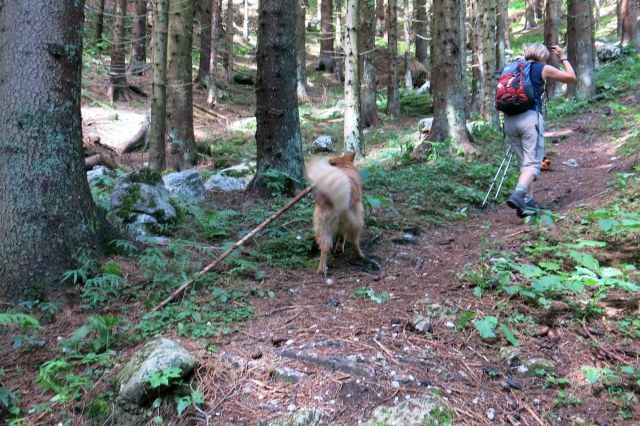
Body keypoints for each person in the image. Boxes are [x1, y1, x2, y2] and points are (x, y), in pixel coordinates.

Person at [505, 43, 576, 216]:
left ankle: (527, 204)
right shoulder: (542, 68)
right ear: (542, 55)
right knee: (532, 164)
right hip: (530, 118)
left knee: (525, 164)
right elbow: (571, 77)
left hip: (508, 121)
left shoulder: (511, 67)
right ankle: (518, 193)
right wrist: (562, 57)